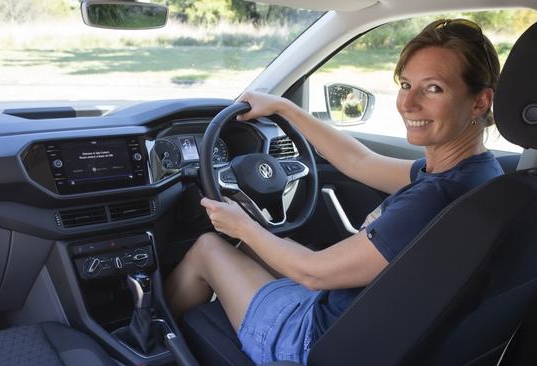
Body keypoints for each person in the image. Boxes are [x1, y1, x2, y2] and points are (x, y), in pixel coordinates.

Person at [165, 18, 504, 365]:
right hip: (374, 323)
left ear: (480, 102)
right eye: (405, 84)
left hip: (315, 339)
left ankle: (149, 345)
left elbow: (315, 273)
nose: (408, 103)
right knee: (249, 247)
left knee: (208, 248)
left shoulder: (432, 200)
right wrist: (285, 108)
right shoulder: (476, 174)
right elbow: (360, 162)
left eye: (433, 88)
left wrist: (242, 225)